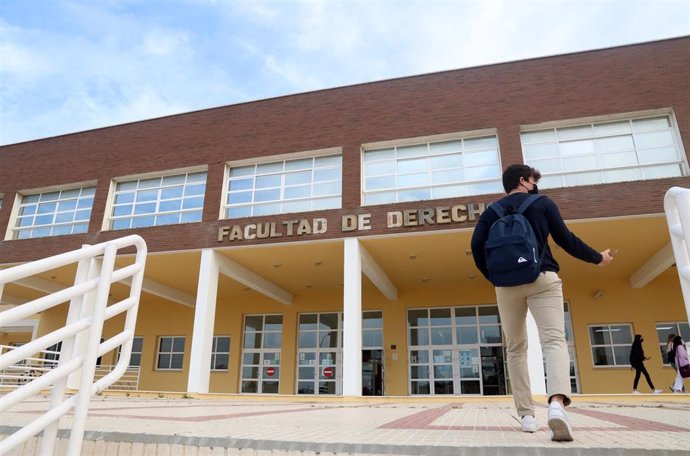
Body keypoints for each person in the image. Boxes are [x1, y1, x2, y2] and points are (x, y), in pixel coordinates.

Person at [471, 164, 614, 442]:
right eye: (534, 180)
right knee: (554, 341)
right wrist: (599, 258)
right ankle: (557, 405)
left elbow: (476, 247)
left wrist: (496, 278)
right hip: (543, 276)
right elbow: (566, 240)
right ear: (524, 181)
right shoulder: (542, 203)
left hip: (506, 286)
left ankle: (526, 416)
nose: (537, 184)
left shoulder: (491, 212)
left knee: (515, 348)